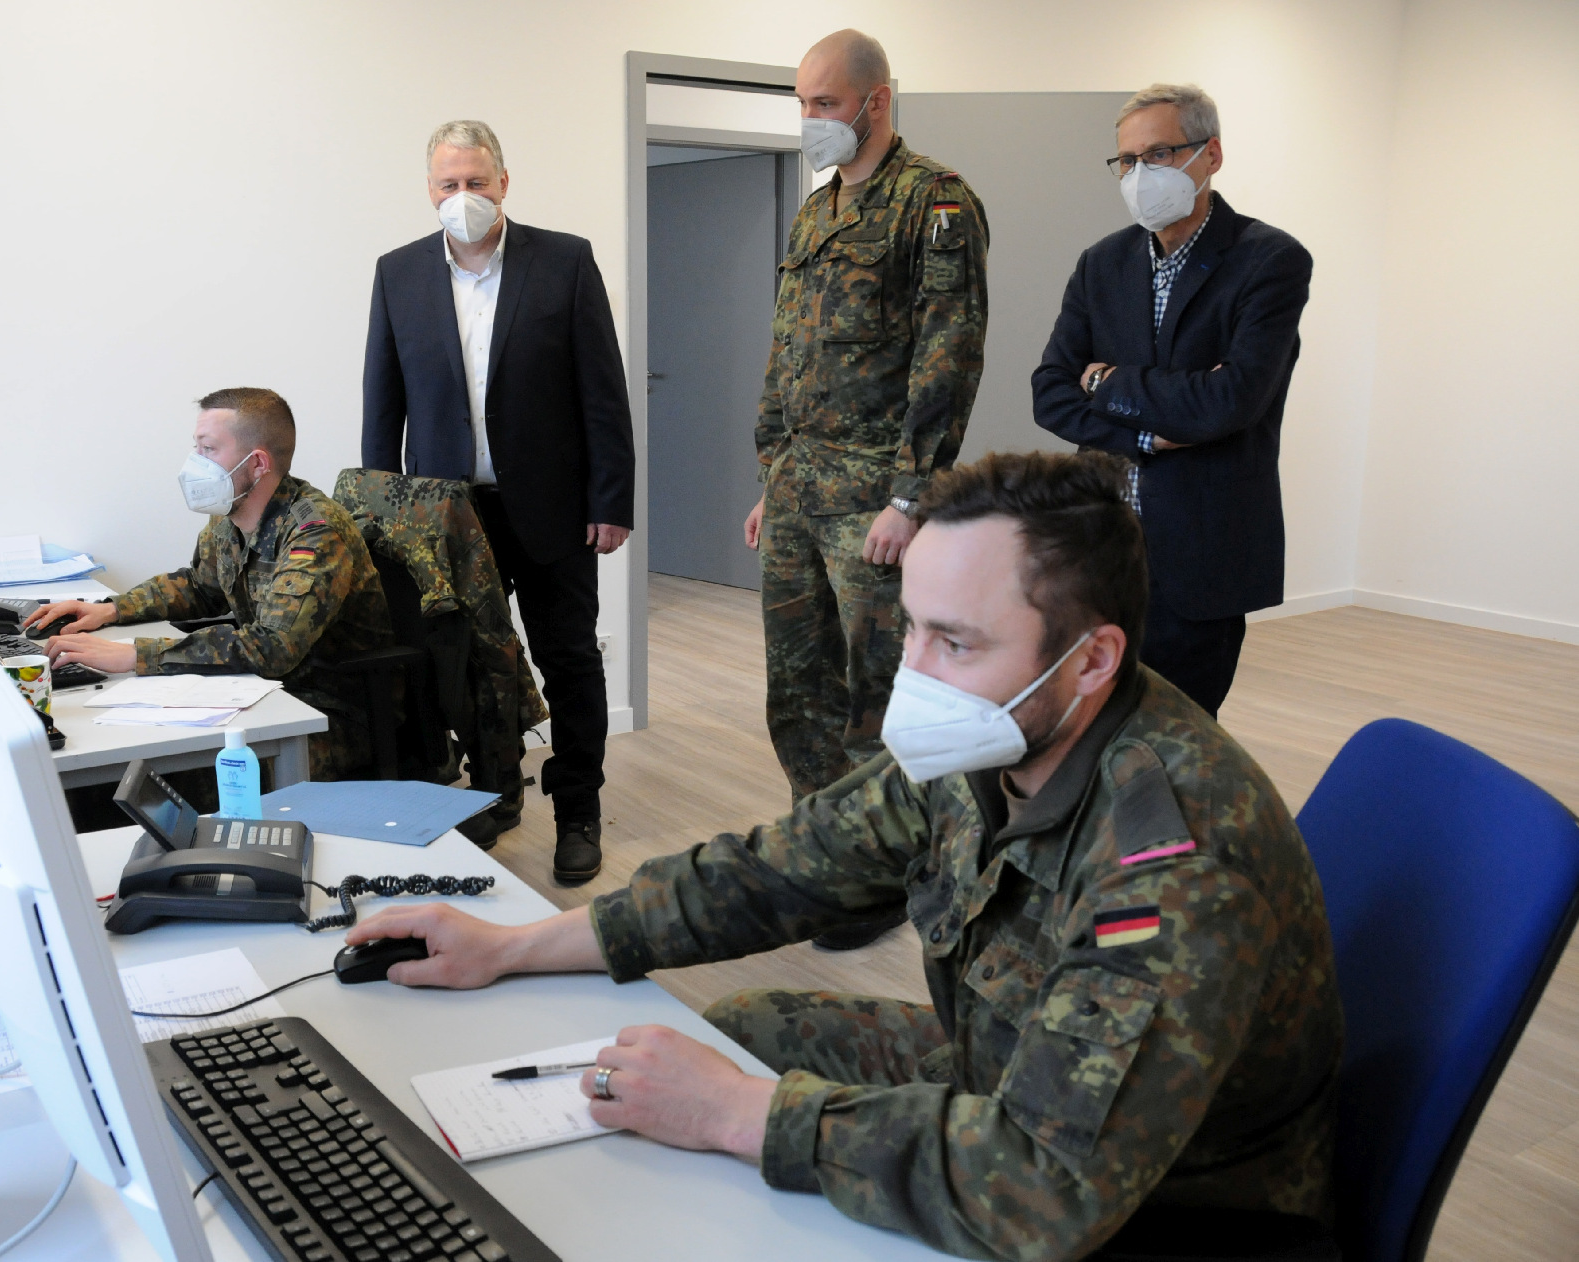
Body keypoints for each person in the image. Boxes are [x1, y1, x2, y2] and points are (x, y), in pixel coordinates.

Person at [343, 451, 1344, 1262]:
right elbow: (778, 867)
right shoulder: (995, 732)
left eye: (953, 640)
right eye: (909, 626)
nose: (912, 672)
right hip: (1008, 1069)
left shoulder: (1173, 864)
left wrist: (743, 1115)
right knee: (744, 1032)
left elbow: (1044, 1190)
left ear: (1091, 658)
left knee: (733, 1095)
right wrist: (508, 945)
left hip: (1167, 1206)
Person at [745, 31, 989, 952]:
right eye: (802, 103)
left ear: (875, 102)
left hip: (874, 503)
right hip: (801, 491)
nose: (810, 119)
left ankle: (892, 874)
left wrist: (911, 497)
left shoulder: (936, 203)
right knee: (796, 690)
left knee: (879, 702)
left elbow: (947, 355)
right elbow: (787, 353)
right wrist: (772, 476)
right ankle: (826, 857)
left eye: (823, 103)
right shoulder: (816, 211)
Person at [361, 119, 635, 885]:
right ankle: (495, 789)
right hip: (447, 517)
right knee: (473, 666)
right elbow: (382, 405)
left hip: (553, 507)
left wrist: (612, 499)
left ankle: (578, 807)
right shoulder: (398, 273)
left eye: (476, 182)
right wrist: (386, 516)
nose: (463, 197)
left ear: (504, 183)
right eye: (448, 185)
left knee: (569, 659)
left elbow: (603, 394)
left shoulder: (565, 262)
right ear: (429, 191)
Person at [1032, 83, 1313, 718]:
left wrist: (1105, 383)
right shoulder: (1101, 263)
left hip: (1200, 554)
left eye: (1159, 154)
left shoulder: (1269, 261)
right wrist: (1145, 432)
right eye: (1127, 161)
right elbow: (1049, 391)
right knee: (1084, 729)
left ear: (1210, 155)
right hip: (1100, 547)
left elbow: (1228, 401)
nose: (1139, 175)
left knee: (1177, 738)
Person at [29, 388, 392, 779]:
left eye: (210, 450)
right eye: (197, 448)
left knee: (165, 772)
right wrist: (112, 609)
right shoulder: (230, 512)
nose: (196, 464)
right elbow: (202, 587)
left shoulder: (314, 532)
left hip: (330, 714)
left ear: (257, 464)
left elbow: (274, 647)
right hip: (262, 693)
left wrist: (136, 655)